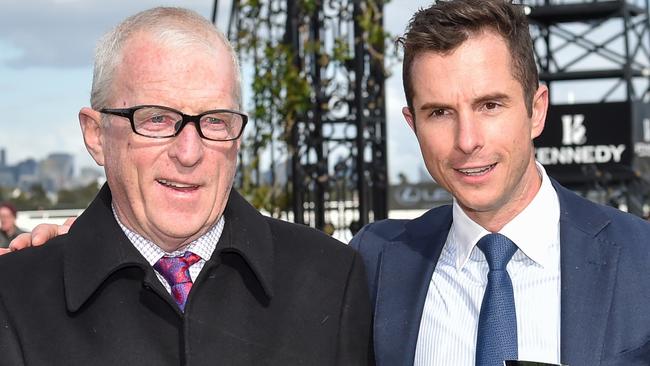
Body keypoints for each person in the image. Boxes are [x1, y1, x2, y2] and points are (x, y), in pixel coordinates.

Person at [0, 7, 372, 365]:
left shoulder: (331, 280)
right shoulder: (16, 297)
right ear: (96, 135)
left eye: (214, 121)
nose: (189, 153)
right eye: (157, 118)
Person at [349, 1, 650, 366]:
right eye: (440, 112)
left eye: (489, 105)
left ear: (536, 110)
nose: (467, 140)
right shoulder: (373, 261)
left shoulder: (640, 258)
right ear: (413, 125)